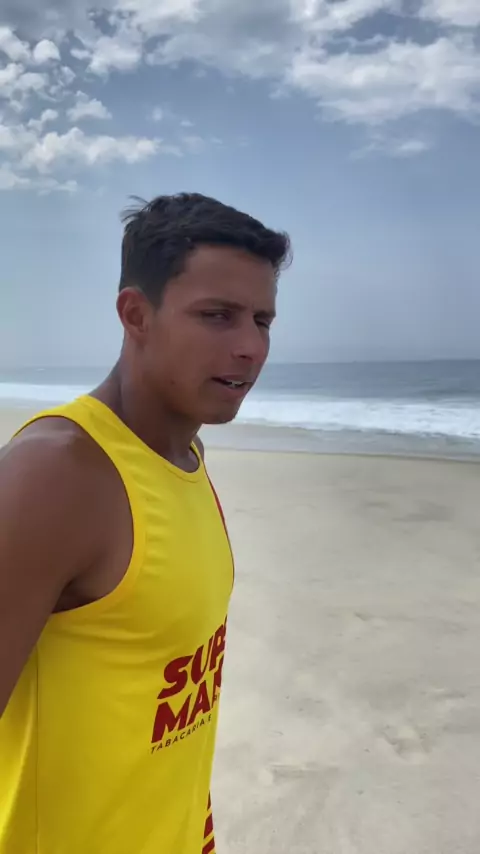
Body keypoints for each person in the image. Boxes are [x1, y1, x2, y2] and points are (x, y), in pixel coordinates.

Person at [0, 192, 291, 854]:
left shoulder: (186, 459)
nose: (250, 347)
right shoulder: (58, 474)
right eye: (217, 316)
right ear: (136, 314)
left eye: (262, 320)